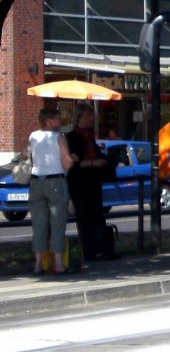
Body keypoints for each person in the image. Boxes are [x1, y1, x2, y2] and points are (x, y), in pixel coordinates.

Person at [66, 103, 116, 262]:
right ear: (79, 117)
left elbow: (95, 152)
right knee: (83, 216)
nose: (91, 119)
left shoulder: (89, 135)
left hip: (93, 180)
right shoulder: (71, 137)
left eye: (92, 115)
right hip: (80, 182)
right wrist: (93, 163)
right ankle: (88, 251)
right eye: (88, 115)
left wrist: (103, 160)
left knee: (97, 214)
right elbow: (74, 162)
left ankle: (101, 247)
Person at [28, 108, 75, 274]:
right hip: (55, 181)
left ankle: (38, 264)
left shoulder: (33, 136)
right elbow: (67, 162)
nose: (60, 121)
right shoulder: (59, 137)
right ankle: (58, 263)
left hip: (35, 182)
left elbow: (31, 157)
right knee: (58, 222)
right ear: (49, 121)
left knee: (38, 224)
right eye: (57, 118)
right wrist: (73, 158)